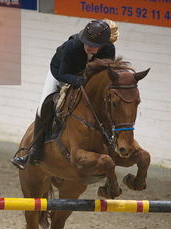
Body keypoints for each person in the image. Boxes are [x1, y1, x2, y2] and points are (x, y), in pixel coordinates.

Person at [12, 19, 119, 169]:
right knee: (45, 104)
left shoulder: (109, 50)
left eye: (94, 46)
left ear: (103, 45)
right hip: (61, 74)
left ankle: (113, 143)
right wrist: (79, 80)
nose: (89, 47)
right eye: (87, 42)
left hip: (85, 79)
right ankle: (34, 150)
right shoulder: (72, 46)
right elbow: (63, 73)